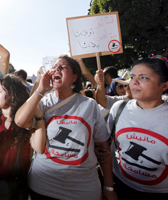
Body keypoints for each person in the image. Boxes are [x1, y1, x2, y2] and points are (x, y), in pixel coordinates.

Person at [15, 54, 116, 200]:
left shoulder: (89, 105)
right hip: (43, 186)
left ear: (74, 77)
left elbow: (103, 150)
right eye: (54, 67)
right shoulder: (43, 103)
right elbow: (20, 121)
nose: (57, 70)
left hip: (83, 189)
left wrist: (108, 187)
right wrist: (40, 90)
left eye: (63, 67)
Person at [0, 74, 46, 199]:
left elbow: (39, 147)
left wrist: (38, 116)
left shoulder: (26, 120)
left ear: (12, 94)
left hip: (15, 189)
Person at [108, 58, 168, 199]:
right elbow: (108, 149)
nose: (134, 82)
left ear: (164, 86)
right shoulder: (119, 108)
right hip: (121, 185)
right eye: (132, 77)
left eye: (143, 77)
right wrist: (109, 186)